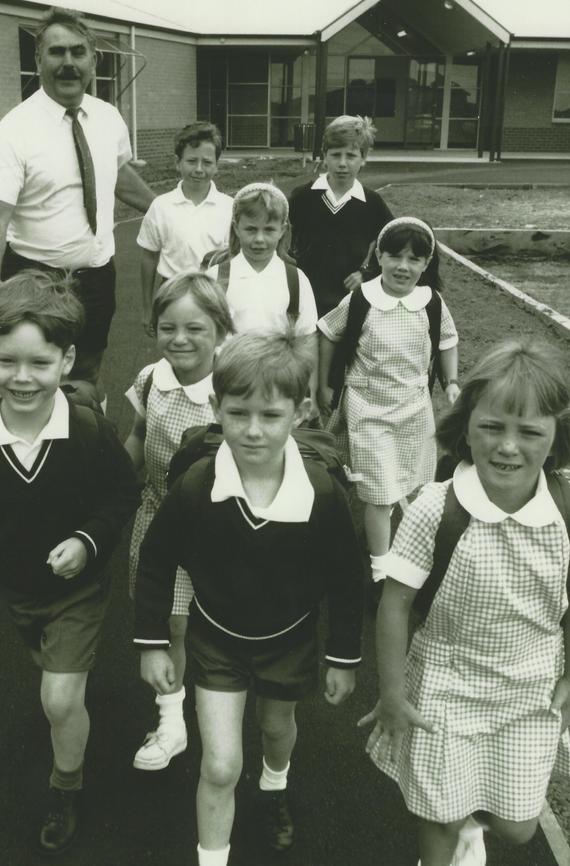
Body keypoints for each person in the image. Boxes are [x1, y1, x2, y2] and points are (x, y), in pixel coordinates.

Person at [133, 330, 364, 866]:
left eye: (270, 415)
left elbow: (346, 579)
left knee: (276, 727)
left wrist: (344, 656)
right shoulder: (195, 485)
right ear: (216, 408)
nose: (253, 431)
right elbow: (156, 558)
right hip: (215, 640)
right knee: (219, 765)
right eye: (238, 414)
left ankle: (275, 788)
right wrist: (151, 643)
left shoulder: (321, 495)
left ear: (300, 412)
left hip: (290, 638)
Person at [0, 271, 139, 856]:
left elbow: (120, 494)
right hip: (15, 585)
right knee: (47, 663)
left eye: (40, 363)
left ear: (67, 359)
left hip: (77, 587)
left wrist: (88, 541)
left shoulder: (90, 430)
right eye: (8, 361)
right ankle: (63, 675)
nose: (23, 378)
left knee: (59, 700)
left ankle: (64, 787)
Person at [359, 339, 570, 866]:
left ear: (556, 436)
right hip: (447, 685)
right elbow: (394, 604)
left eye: (530, 433)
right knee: (438, 813)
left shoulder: (565, 510)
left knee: (518, 826)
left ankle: (471, 821)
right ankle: (449, 833)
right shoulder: (438, 507)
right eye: (493, 427)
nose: (508, 447)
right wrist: (391, 692)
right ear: (466, 424)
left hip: (527, 687)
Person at [0, 6, 154, 402]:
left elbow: (118, 174)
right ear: (39, 59)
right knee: (33, 376)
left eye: (77, 52)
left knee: (88, 370)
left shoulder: (108, 118)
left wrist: (163, 210)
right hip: (35, 278)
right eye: (56, 52)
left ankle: (88, 448)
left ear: (94, 57)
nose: (68, 63)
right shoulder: (13, 130)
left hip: (96, 277)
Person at [125, 271, 233, 771]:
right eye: (168, 327)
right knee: (169, 620)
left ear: (220, 329)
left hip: (215, 526)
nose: (180, 339)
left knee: (208, 625)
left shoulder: (230, 389)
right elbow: (138, 436)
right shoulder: (151, 379)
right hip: (157, 516)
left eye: (195, 328)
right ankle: (172, 721)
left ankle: (221, 703)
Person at [318, 216, 460, 585]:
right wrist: (323, 384)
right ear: (379, 256)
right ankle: (381, 572)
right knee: (379, 493)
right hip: (368, 408)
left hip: (414, 409)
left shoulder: (431, 303)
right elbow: (328, 333)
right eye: (395, 256)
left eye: (415, 259)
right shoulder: (362, 299)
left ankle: (409, 556)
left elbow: (447, 341)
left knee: (415, 487)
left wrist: (452, 382)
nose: (403, 266)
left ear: (426, 264)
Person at [206, 182, 319, 416]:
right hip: (228, 382)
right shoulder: (217, 276)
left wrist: (311, 395)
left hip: (278, 385)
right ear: (236, 228)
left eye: (269, 230)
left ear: (282, 229)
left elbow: (307, 341)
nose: (259, 239)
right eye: (251, 229)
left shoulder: (295, 279)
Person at [289, 115, 394, 317]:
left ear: (363, 158)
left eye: (351, 156)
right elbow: (281, 234)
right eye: (336, 155)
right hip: (304, 297)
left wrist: (367, 272)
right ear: (324, 155)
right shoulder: (302, 197)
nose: (343, 163)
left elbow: (391, 240)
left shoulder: (372, 203)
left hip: (348, 301)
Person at [137, 122, 233, 329]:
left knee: (216, 355)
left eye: (207, 162)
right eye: (191, 161)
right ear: (177, 162)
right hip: (172, 293)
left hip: (215, 295)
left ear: (217, 165)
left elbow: (234, 261)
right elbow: (149, 257)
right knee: (175, 351)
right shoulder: (161, 206)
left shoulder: (230, 207)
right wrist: (147, 309)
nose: (199, 169)